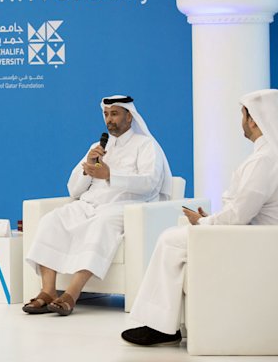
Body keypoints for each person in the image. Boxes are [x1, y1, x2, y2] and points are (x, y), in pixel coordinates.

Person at [122, 89, 278, 346]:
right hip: (263, 238)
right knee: (176, 239)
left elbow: (238, 215)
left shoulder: (264, 161)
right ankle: (163, 323)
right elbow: (248, 209)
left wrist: (204, 222)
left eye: (243, 115)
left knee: (170, 239)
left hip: (257, 243)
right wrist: (212, 219)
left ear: (254, 120)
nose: (241, 121)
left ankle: (161, 327)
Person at [23, 95, 173, 316]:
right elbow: (73, 190)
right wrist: (88, 166)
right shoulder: (97, 147)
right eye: (106, 114)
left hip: (124, 207)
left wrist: (111, 175)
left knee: (102, 224)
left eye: (115, 114)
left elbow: (150, 183)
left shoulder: (146, 145)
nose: (109, 119)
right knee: (51, 220)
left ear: (129, 117)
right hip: (89, 205)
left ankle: (71, 294)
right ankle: (48, 292)